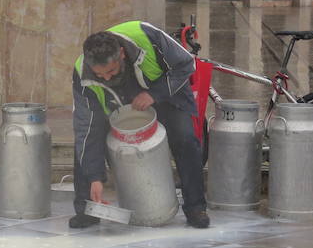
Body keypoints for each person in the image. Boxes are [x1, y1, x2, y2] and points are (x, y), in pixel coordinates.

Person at [70, 21, 210, 229]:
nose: (107, 78)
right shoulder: (82, 73)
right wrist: (95, 177)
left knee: (185, 139)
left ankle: (195, 207)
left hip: (166, 95)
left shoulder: (147, 36)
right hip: (118, 103)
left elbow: (185, 65)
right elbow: (86, 128)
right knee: (85, 144)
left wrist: (154, 94)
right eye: (100, 75)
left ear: (122, 54)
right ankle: (87, 208)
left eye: (111, 71)